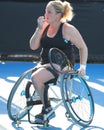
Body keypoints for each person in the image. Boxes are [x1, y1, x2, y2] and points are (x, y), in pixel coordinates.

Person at [29, 0, 88, 124]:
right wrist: (38, 29)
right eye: (45, 11)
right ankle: (44, 99)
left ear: (59, 15)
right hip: (45, 62)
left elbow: (83, 47)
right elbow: (33, 46)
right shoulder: (44, 26)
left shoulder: (68, 29)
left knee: (36, 78)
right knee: (33, 80)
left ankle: (47, 108)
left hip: (63, 64)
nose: (46, 14)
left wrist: (82, 67)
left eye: (49, 12)